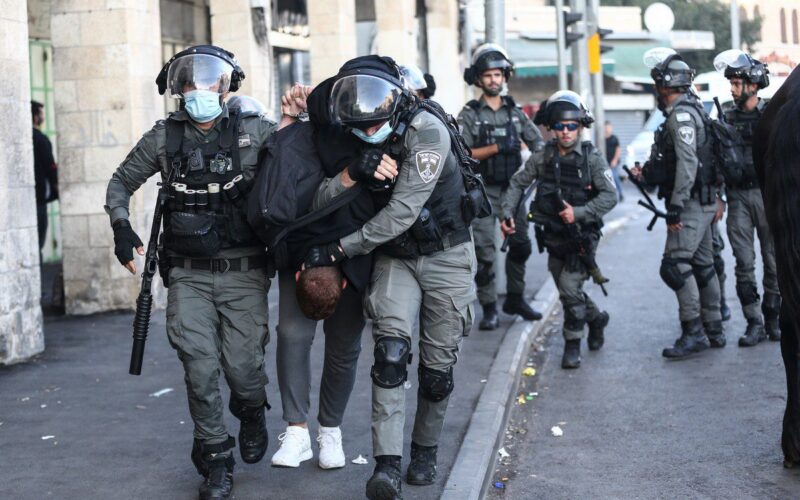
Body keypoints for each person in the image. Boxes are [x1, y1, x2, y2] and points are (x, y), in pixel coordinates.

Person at [105, 45, 292, 500]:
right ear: (179, 90)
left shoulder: (253, 131)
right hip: (187, 273)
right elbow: (120, 183)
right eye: (189, 83)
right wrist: (122, 228)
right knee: (199, 369)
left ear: (225, 88)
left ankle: (250, 411)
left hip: (244, 272)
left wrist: (300, 119)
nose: (199, 90)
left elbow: (298, 163)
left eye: (209, 82)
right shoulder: (164, 138)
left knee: (244, 370)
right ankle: (216, 459)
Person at [304, 55, 478, 500]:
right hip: (396, 259)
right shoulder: (358, 132)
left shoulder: (428, 132)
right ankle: (386, 466)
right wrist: (352, 172)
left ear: (396, 105)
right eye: (359, 128)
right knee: (390, 356)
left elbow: (403, 211)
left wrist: (341, 248)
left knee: (437, 372)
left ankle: (424, 449)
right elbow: (320, 199)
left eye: (374, 126)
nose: (367, 134)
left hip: (446, 256)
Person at [266, 80, 383, 471]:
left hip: (352, 249)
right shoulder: (302, 133)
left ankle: (330, 430)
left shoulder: (370, 137)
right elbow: (275, 168)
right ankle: (297, 430)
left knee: (344, 347)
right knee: (292, 335)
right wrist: (289, 118)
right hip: (298, 243)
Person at [502, 91, 617, 368]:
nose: (566, 132)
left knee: (568, 286)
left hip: (582, 236)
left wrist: (577, 213)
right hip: (553, 236)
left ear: (580, 126)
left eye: (572, 126)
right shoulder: (543, 157)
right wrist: (507, 212)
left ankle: (572, 343)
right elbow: (518, 183)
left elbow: (610, 196)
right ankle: (596, 318)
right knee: (568, 289)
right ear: (552, 128)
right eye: (560, 126)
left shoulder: (592, 158)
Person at [632, 48, 725, 359]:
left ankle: (694, 332)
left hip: (692, 205)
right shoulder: (693, 109)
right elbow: (673, 162)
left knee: (673, 266)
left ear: (666, 84)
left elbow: (687, 164)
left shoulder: (681, 115)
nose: (656, 89)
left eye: (658, 83)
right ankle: (713, 328)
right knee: (703, 265)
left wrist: (675, 206)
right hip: (703, 201)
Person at [457, 43, 544, 330]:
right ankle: (489, 307)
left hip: (513, 190)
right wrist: (496, 147)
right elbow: (461, 153)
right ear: (478, 79)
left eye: (498, 74)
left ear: (505, 76)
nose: (494, 80)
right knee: (485, 252)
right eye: (488, 75)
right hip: (481, 190)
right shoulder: (469, 114)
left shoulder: (515, 113)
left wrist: (530, 175)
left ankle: (516, 299)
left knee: (520, 245)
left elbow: (539, 146)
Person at [713, 49, 781, 346]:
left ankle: (774, 317)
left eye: (738, 82)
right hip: (738, 197)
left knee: (774, 260)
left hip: (768, 195)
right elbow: (714, 159)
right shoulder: (725, 116)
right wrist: (718, 196)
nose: (732, 88)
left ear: (753, 84)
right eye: (731, 83)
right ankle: (754, 321)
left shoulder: (773, 115)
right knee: (743, 262)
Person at [31, 100, 58, 252]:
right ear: (35, 117)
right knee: (38, 244)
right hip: (39, 198)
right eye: (41, 114)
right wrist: (58, 188)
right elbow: (51, 168)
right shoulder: (41, 139)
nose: (43, 117)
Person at [604, 121, 624, 202]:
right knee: (606, 180)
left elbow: (618, 150)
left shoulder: (614, 138)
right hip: (605, 162)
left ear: (611, 128)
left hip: (613, 163)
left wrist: (615, 160)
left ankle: (620, 193)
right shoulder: (602, 138)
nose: (607, 129)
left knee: (615, 178)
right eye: (605, 128)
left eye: (608, 127)